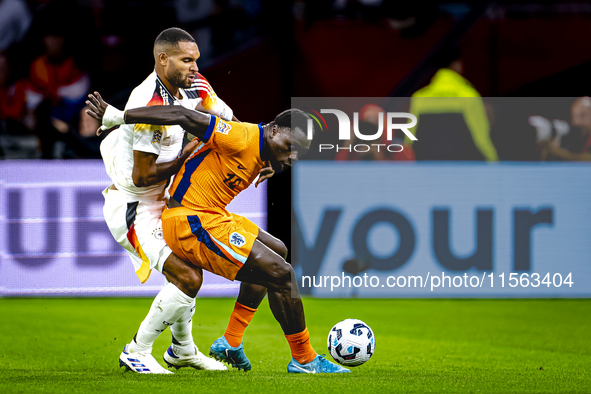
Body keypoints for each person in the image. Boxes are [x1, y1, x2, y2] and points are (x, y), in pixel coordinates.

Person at [86, 94, 350, 374]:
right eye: (290, 146)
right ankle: (305, 359)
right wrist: (119, 116)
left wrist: (270, 158)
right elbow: (182, 115)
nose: (293, 156)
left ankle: (231, 341)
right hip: (190, 221)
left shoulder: (260, 149)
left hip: (211, 215)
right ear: (274, 130)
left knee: (278, 250)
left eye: (299, 152)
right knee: (281, 273)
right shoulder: (241, 137)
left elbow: (248, 146)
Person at [96, 27, 239, 374]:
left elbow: (228, 120)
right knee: (188, 277)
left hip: (165, 202)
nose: (194, 67)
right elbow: (143, 176)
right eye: (186, 60)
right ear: (163, 59)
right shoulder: (149, 103)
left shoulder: (195, 86)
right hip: (134, 208)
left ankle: (183, 351)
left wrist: (258, 156)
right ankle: (136, 350)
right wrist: (187, 152)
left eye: (196, 60)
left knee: (191, 272)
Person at [404, 46, 499, 162]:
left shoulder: (419, 97)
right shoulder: (468, 95)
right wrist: (493, 160)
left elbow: (409, 138)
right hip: (461, 166)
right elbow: (481, 137)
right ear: (456, 64)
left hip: (428, 166)